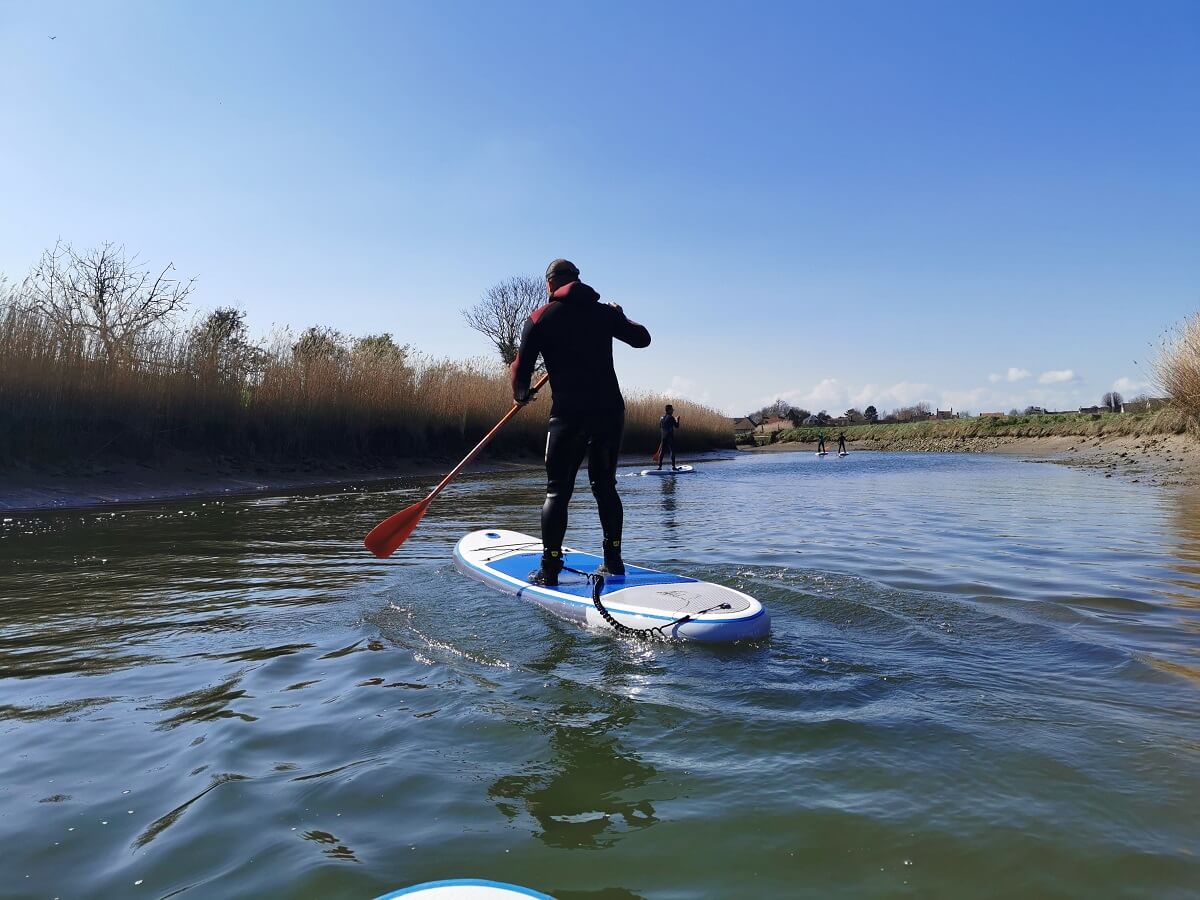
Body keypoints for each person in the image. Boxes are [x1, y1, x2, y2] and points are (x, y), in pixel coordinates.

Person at [511, 259, 652, 586]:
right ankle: (613, 562)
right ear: (577, 280)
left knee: (558, 493)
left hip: (568, 416)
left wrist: (520, 394)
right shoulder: (604, 313)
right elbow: (642, 338)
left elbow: (521, 370)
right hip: (609, 413)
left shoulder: (539, 319)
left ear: (549, 285)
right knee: (605, 487)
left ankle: (550, 569)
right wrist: (620, 317)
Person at [658, 404, 680, 470]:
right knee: (672, 451)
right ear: (669, 410)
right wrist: (677, 420)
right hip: (669, 436)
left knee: (662, 451)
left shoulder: (661, 418)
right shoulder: (671, 417)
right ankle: (673, 466)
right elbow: (677, 426)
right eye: (672, 410)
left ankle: (660, 467)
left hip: (663, 437)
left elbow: (660, 427)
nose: (672, 411)